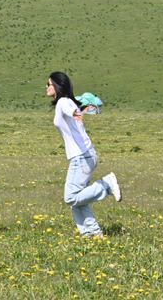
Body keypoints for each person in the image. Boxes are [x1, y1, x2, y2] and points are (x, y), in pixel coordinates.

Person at [47, 71, 121, 238]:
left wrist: (73, 113)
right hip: (85, 155)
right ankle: (91, 233)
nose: (46, 87)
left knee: (71, 197)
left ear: (58, 85)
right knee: (80, 198)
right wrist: (74, 112)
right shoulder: (69, 101)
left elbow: (67, 109)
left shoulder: (64, 102)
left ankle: (107, 184)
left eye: (49, 84)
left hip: (81, 156)